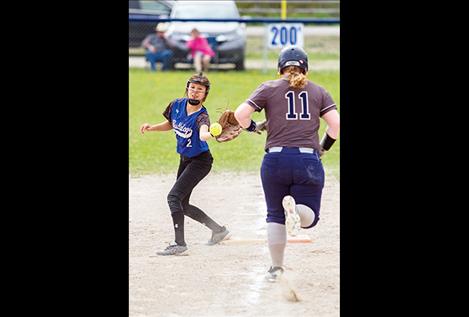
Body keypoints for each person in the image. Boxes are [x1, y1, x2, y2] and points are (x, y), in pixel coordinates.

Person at [234, 46, 340, 281]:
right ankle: (296, 211)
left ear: (279, 67)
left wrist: (253, 127)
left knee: (274, 215)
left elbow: (241, 115)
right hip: (306, 159)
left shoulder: (269, 88)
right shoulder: (318, 91)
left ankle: (276, 268)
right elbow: (336, 125)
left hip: (274, 159)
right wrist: (323, 148)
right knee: (309, 217)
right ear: (306, 68)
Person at [139, 73, 230, 256]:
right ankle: (218, 230)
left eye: (200, 90)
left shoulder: (202, 116)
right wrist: (152, 128)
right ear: (187, 88)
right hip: (185, 159)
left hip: (200, 161)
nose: (195, 92)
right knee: (183, 204)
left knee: (173, 198)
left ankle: (179, 243)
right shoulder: (176, 105)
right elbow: (170, 123)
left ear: (205, 94)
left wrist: (212, 134)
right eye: (193, 87)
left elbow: (204, 133)